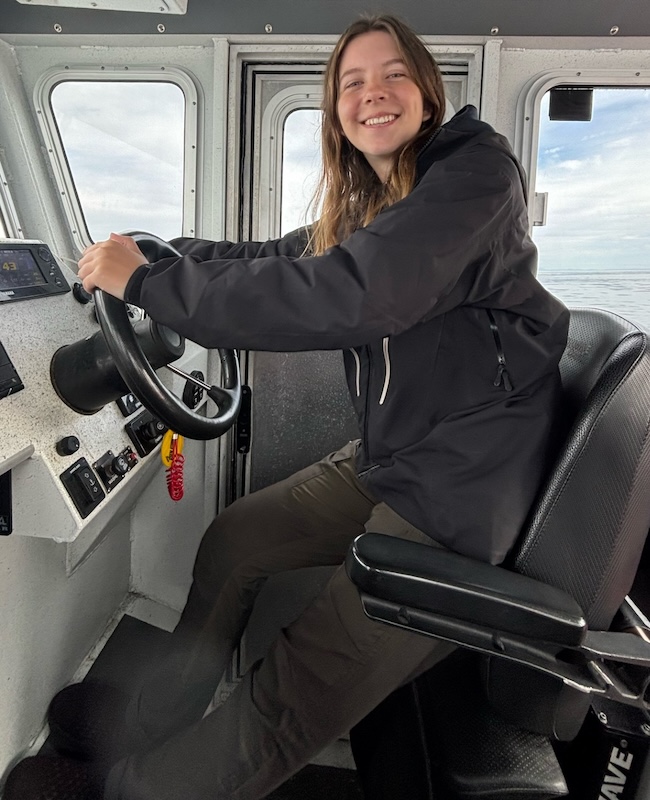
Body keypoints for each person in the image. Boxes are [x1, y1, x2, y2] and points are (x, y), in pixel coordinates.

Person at [5, 13, 569, 800]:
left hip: (460, 499)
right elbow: (280, 258)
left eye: (393, 74)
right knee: (236, 541)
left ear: (430, 92)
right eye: (352, 82)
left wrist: (148, 285)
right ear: (336, 108)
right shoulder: (385, 193)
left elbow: (353, 293)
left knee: (292, 693)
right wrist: (166, 253)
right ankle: (157, 718)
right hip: (402, 460)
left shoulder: (472, 174)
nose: (373, 93)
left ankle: (134, 787)